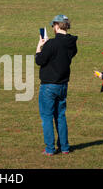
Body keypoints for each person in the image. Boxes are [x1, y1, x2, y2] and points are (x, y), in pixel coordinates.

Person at [35, 14, 78, 156]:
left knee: (47, 117)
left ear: (57, 26)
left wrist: (40, 47)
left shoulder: (51, 44)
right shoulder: (72, 43)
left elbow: (40, 60)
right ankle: (64, 147)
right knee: (60, 116)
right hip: (63, 84)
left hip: (48, 85)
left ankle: (50, 148)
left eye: (53, 25)